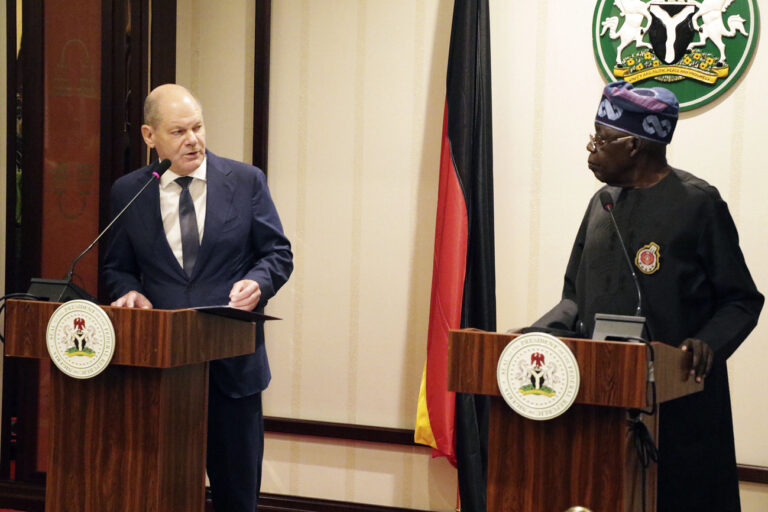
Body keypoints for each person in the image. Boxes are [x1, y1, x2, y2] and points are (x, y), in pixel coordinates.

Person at [534, 81, 763, 511]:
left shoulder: (698, 204)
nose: (591, 151)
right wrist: (534, 335)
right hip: (602, 411)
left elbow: (742, 300)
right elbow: (573, 298)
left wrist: (706, 344)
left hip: (680, 412)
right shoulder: (601, 205)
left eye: (601, 140)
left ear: (635, 144)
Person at [102, 83, 293, 511]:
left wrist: (258, 283)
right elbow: (116, 267)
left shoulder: (245, 182)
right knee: (159, 491)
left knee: (236, 497)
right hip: (159, 371)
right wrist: (129, 291)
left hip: (232, 367)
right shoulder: (129, 192)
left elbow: (278, 254)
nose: (193, 140)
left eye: (198, 127)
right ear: (150, 137)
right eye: (178, 132)